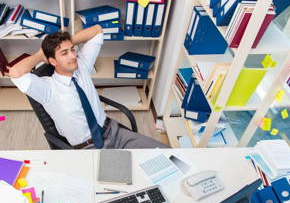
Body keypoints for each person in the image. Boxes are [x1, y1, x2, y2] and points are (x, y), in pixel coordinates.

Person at [6, 25, 168, 149]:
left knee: (166, 155)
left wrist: (67, 42)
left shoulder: (82, 66)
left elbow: (97, 30)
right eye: (64, 54)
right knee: (127, 179)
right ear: (52, 61)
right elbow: (15, 72)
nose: (72, 55)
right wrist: (42, 54)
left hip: (114, 132)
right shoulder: (47, 89)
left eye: (72, 50)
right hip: (89, 148)